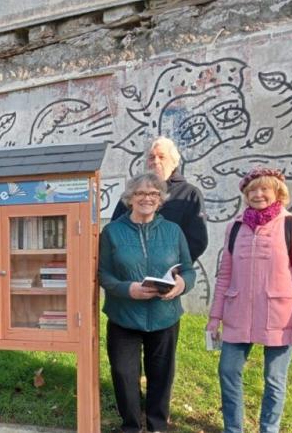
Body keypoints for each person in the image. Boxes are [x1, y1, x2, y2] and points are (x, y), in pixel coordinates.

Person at [99, 172, 196, 433]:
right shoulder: (111, 232)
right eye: (141, 193)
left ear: (161, 199)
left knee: (161, 376)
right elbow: (102, 274)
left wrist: (180, 286)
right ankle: (131, 425)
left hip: (164, 315)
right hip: (124, 316)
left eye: (154, 194)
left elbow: (188, 270)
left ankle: (157, 426)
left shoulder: (173, 231)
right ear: (130, 198)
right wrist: (126, 289)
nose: (147, 198)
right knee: (123, 374)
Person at [206, 167, 292, 433]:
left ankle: (269, 429)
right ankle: (233, 429)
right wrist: (214, 318)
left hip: (281, 316)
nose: (258, 194)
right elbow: (225, 274)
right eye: (252, 190)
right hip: (238, 315)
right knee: (228, 371)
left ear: (278, 192)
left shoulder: (291, 225)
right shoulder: (234, 227)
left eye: (264, 189)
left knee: (274, 379)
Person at [111, 137, 208, 262]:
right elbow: (115, 229)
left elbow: (198, 240)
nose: (155, 162)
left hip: (172, 274)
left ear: (174, 163)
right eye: (151, 157)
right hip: (133, 271)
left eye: (161, 157)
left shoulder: (189, 195)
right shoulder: (133, 193)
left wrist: (176, 265)